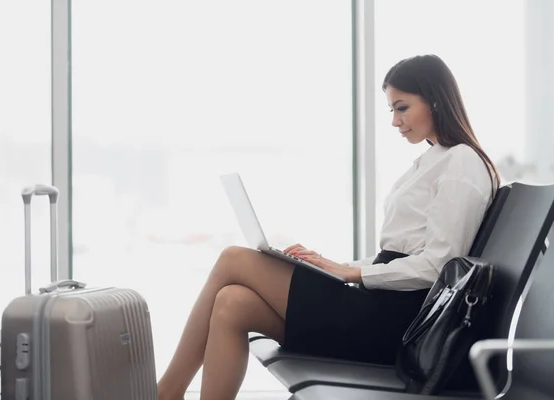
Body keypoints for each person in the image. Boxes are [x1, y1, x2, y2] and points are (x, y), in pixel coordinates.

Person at [157, 54, 500, 400]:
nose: (395, 121)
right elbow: (397, 255)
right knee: (232, 303)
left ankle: (166, 392)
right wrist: (333, 266)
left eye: (402, 107)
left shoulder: (461, 163)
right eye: (391, 111)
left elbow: (437, 267)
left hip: (398, 322)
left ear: (436, 99)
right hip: (381, 305)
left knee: (234, 258)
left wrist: (351, 274)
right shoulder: (436, 159)